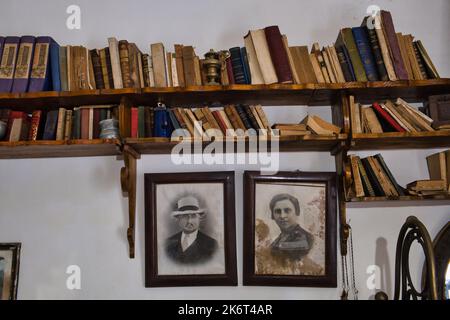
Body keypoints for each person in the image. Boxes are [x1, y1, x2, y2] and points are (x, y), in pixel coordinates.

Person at [165, 195, 218, 264]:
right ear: (178, 219)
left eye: (193, 216)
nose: (189, 221)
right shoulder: (168, 243)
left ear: (199, 219)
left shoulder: (212, 244)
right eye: (184, 216)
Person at [269, 193, 314, 261]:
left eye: (287, 211)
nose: (282, 216)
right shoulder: (279, 239)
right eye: (278, 211)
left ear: (297, 212)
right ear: (272, 216)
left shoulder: (305, 238)